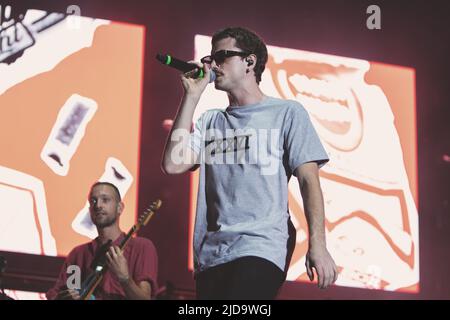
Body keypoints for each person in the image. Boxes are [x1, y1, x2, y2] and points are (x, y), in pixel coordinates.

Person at [161, 26, 338, 300]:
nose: (212, 64)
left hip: (260, 246)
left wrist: (319, 244)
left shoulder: (287, 113)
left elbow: (308, 179)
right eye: (211, 57)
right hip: (212, 254)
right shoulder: (210, 121)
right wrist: (192, 96)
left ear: (250, 61)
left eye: (222, 56)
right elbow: (173, 164)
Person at [46, 182, 158, 300]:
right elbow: (67, 291)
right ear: (90, 210)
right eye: (93, 201)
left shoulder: (142, 247)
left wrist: (125, 278)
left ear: (120, 208)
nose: (98, 205)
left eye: (105, 200)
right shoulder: (78, 255)